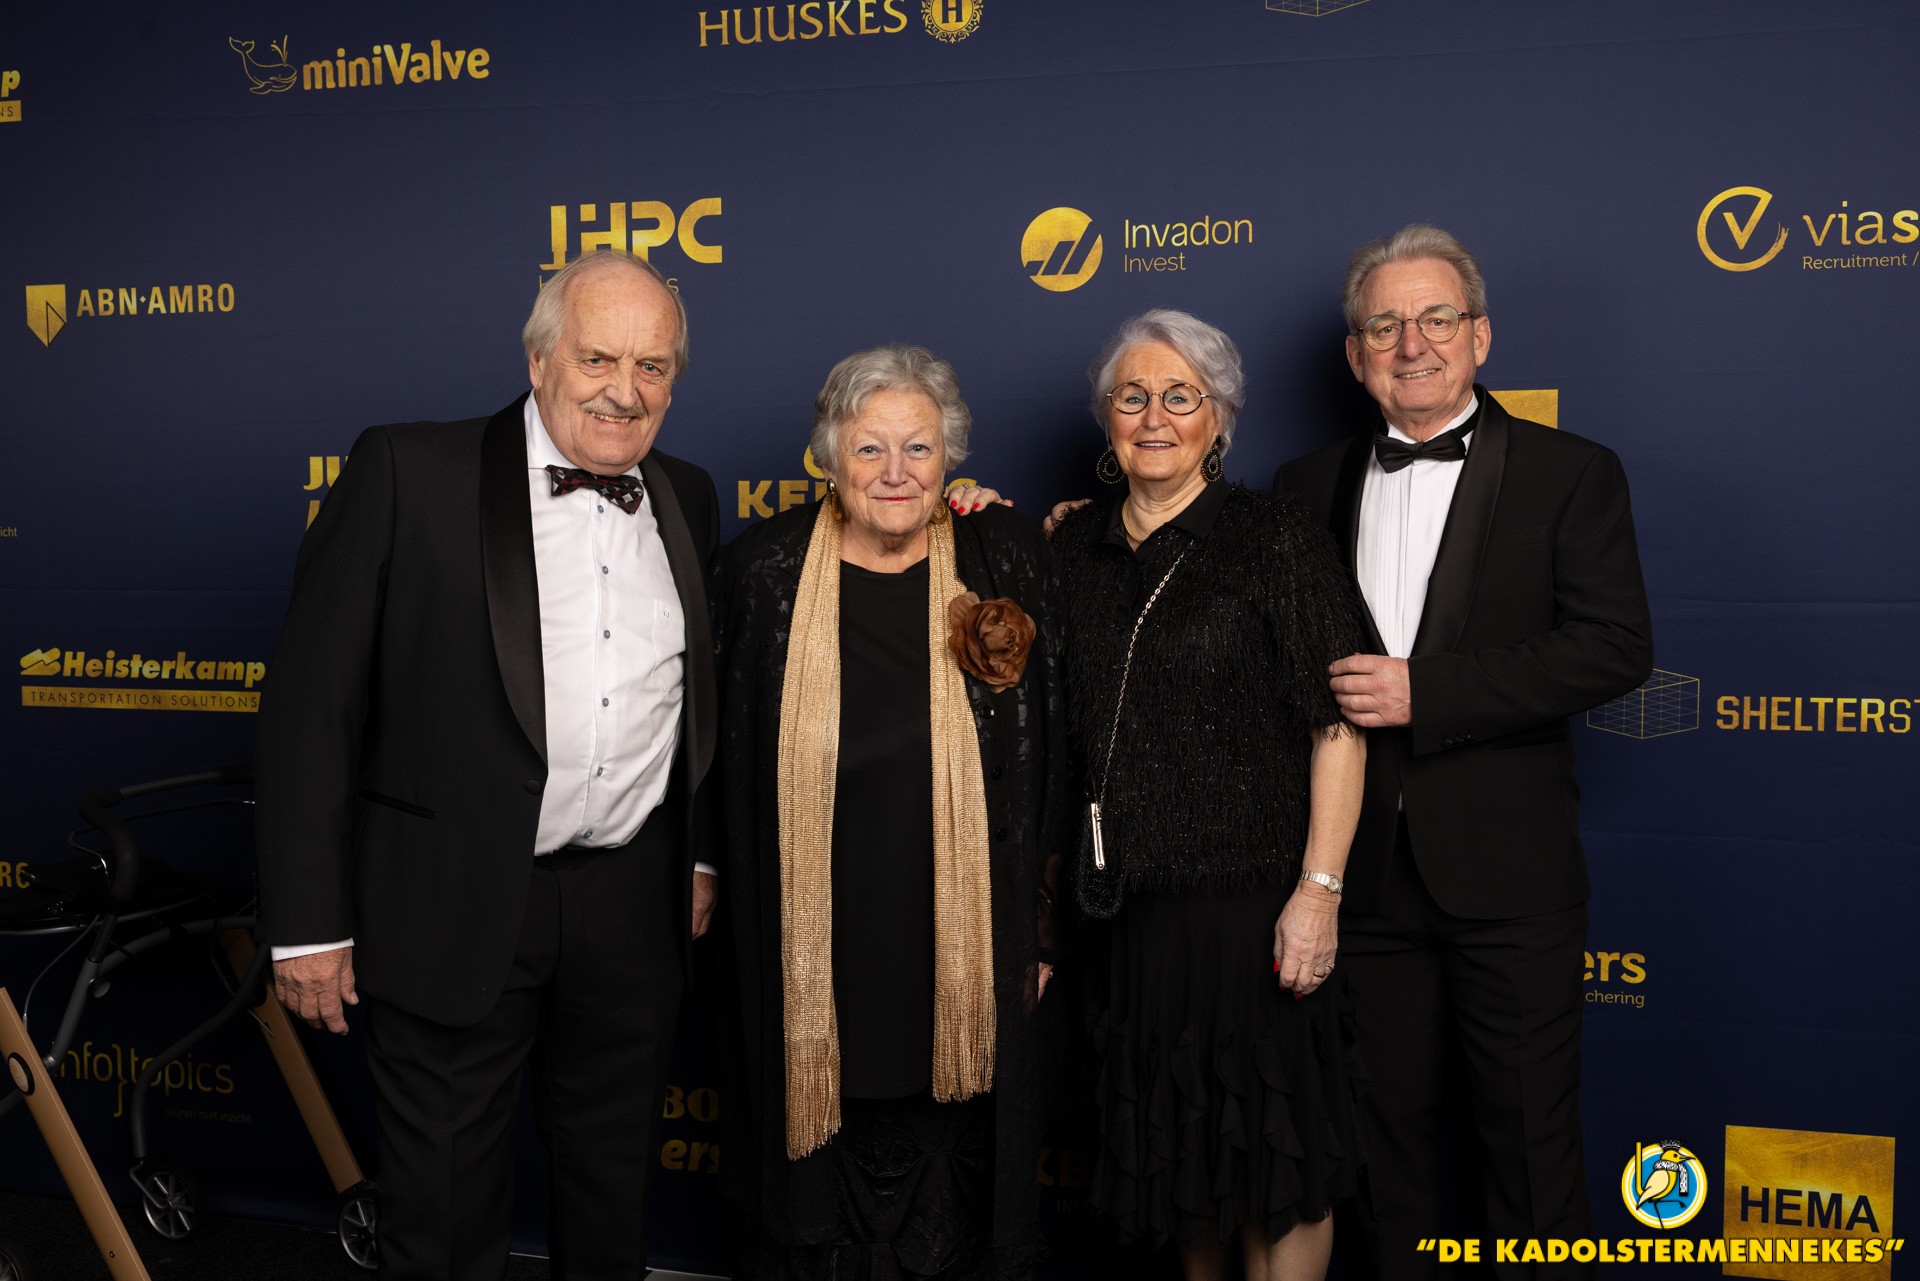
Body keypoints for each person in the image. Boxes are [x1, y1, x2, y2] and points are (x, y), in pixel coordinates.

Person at [254, 249, 719, 1281]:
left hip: (630, 901)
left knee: (611, 1195)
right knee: (445, 1210)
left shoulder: (688, 493)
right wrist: (308, 922)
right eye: (599, 358)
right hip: (450, 894)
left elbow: (698, 703)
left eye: (652, 367)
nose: (625, 390)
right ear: (539, 358)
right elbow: (309, 708)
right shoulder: (406, 470)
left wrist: (696, 855)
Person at [1274, 225, 1654, 1279]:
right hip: (1359, 882)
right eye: (1385, 325)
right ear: (1354, 354)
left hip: (1510, 878)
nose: (1413, 343)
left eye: (1436, 318)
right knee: (1383, 1154)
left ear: (1479, 337)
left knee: (1530, 1150)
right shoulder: (1302, 485)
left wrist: (1426, 692)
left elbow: (1615, 647)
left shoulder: (1572, 473)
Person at [716, 344, 1068, 1280]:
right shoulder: (762, 571)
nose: (896, 472)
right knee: (820, 1183)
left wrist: (1040, 930)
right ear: (830, 457)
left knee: (948, 1170)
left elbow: (1055, 751)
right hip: (818, 931)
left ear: (951, 457)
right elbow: (713, 756)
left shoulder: (1002, 554)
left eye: (919, 447)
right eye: (870, 448)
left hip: (960, 931)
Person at [1050, 310, 1368, 1281]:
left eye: (1180, 396)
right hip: (1130, 923)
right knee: (1181, 1160)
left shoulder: (1275, 538)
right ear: (1106, 418)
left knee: (1275, 1153)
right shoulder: (1069, 551)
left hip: (1255, 916)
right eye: (1133, 396)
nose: (1154, 417)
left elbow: (1337, 727)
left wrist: (1319, 892)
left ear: (1218, 417)